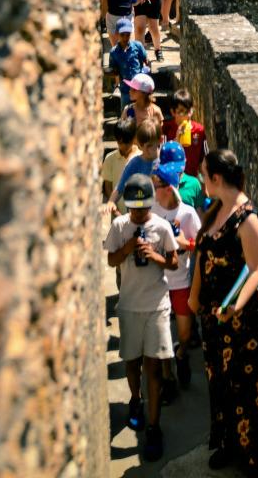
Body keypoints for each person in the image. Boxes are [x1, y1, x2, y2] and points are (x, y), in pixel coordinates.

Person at [190, 148, 258, 472]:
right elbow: (203, 252)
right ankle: (228, 444)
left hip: (246, 321)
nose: (201, 178)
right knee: (222, 382)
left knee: (248, 388)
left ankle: (252, 456)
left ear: (216, 178)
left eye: (203, 173)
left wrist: (233, 307)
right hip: (216, 318)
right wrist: (195, 295)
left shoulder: (248, 218)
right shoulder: (216, 209)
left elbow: (257, 269)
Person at [106, 172, 177, 461]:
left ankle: (153, 427)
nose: (138, 214)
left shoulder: (161, 227)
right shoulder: (120, 226)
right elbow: (111, 259)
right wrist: (127, 249)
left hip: (157, 305)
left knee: (154, 367)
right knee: (131, 362)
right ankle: (135, 399)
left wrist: (154, 255)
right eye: (133, 209)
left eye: (142, 208)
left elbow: (173, 262)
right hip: (129, 305)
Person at [153, 146, 203, 398]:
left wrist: (185, 244)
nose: (154, 187)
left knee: (184, 334)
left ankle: (181, 355)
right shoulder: (150, 211)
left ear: (169, 187)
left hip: (181, 281)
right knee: (161, 336)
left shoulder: (187, 213)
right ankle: (167, 376)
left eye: (158, 184)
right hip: (157, 284)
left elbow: (201, 245)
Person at [166, 88, 206, 185]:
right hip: (172, 180)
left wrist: (205, 183)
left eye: (188, 111)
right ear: (173, 112)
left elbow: (203, 159)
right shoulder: (166, 129)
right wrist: (176, 140)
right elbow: (162, 158)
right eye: (181, 111)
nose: (186, 116)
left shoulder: (199, 130)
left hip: (192, 181)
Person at [118, 122, 162, 195]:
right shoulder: (135, 163)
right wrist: (111, 202)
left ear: (160, 140)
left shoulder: (166, 159)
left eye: (149, 146)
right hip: (141, 204)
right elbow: (120, 188)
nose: (145, 150)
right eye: (141, 145)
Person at [103, 117, 137, 208]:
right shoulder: (109, 159)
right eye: (121, 143)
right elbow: (108, 187)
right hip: (117, 213)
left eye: (127, 142)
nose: (124, 146)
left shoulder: (141, 157)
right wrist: (114, 207)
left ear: (134, 138)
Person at [108, 17, 149, 92]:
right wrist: (111, 72)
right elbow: (113, 70)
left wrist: (145, 71)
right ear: (117, 34)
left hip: (139, 88)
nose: (125, 38)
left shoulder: (138, 46)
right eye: (122, 35)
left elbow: (146, 61)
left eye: (128, 35)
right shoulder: (113, 52)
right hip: (125, 89)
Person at [121, 71, 164, 138]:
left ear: (143, 93)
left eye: (134, 89)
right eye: (130, 88)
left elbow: (159, 134)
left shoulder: (155, 111)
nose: (130, 91)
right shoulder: (128, 110)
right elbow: (123, 132)